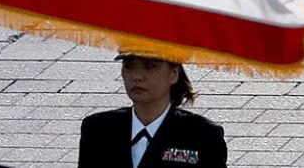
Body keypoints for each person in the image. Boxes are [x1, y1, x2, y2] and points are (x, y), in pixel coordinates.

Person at [78, 54, 226, 168]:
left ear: (174, 74)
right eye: (129, 66)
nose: (137, 77)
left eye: (150, 66)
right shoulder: (98, 129)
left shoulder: (202, 135)